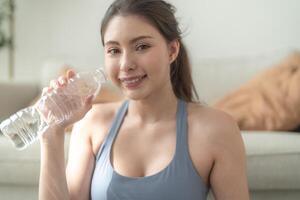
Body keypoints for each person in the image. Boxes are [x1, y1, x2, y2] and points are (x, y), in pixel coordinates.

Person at [39, 0, 250, 199]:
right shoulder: (92, 124)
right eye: (114, 50)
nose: (125, 64)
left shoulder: (216, 129)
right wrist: (51, 135)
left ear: (172, 50)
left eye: (141, 47)